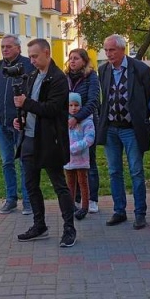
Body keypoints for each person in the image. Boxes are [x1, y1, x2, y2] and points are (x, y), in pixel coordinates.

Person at [13, 38, 76, 247]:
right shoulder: (32, 76)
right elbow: (29, 108)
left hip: (50, 140)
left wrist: (26, 103)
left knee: (59, 185)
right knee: (31, 185)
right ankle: (39, 225)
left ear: (47, 53)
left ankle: (69, 229)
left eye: (35, 56)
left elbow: (52, 109)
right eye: (30, 56)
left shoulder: (57, 78)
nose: (31, 60)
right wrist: (20, 119)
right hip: (29, 138)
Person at [97, 34, 150, 230]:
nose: (108, 54)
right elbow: (105, 98)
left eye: (112, 50)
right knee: (114, 172)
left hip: (132, 129)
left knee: (136, 171)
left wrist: (143, 121)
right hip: (111, 129)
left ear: (123, 49)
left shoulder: (140, 69)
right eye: (106, 50)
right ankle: (119, 210)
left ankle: (140, 213)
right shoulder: (103, 70)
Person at [0, 34, 36, 214]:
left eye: (8, 46)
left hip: (21, 123)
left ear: (18, 48)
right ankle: (11, 198)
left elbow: (34, 92)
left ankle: (28, 201)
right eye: (3, 47)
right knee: (7, 162)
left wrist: (25, 114)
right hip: (0, 123)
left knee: (24, 162)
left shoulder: (28, 65)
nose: (5, 49)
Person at [64, 49, 101, 213]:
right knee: (71, 162)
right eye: (70, 58)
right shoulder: (65, 78)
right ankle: (75, 198)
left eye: (76, 58)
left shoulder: (91, 77)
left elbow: (93, 100)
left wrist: (77, 117)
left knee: (88, 163)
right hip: (68, 124)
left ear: (84, 61)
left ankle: (92, 199)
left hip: (86, 123)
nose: (72, 61)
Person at [64, 92, 95, 220]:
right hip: (67, 160)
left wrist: (73, 148)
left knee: (83, 182)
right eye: (70, 105)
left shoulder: (87, 122)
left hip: (81, 159)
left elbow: (89, 139)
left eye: (76, 105)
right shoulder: (64, 120)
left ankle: (85, 206)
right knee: (70, 183)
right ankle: (71, 205)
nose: (73, 108)